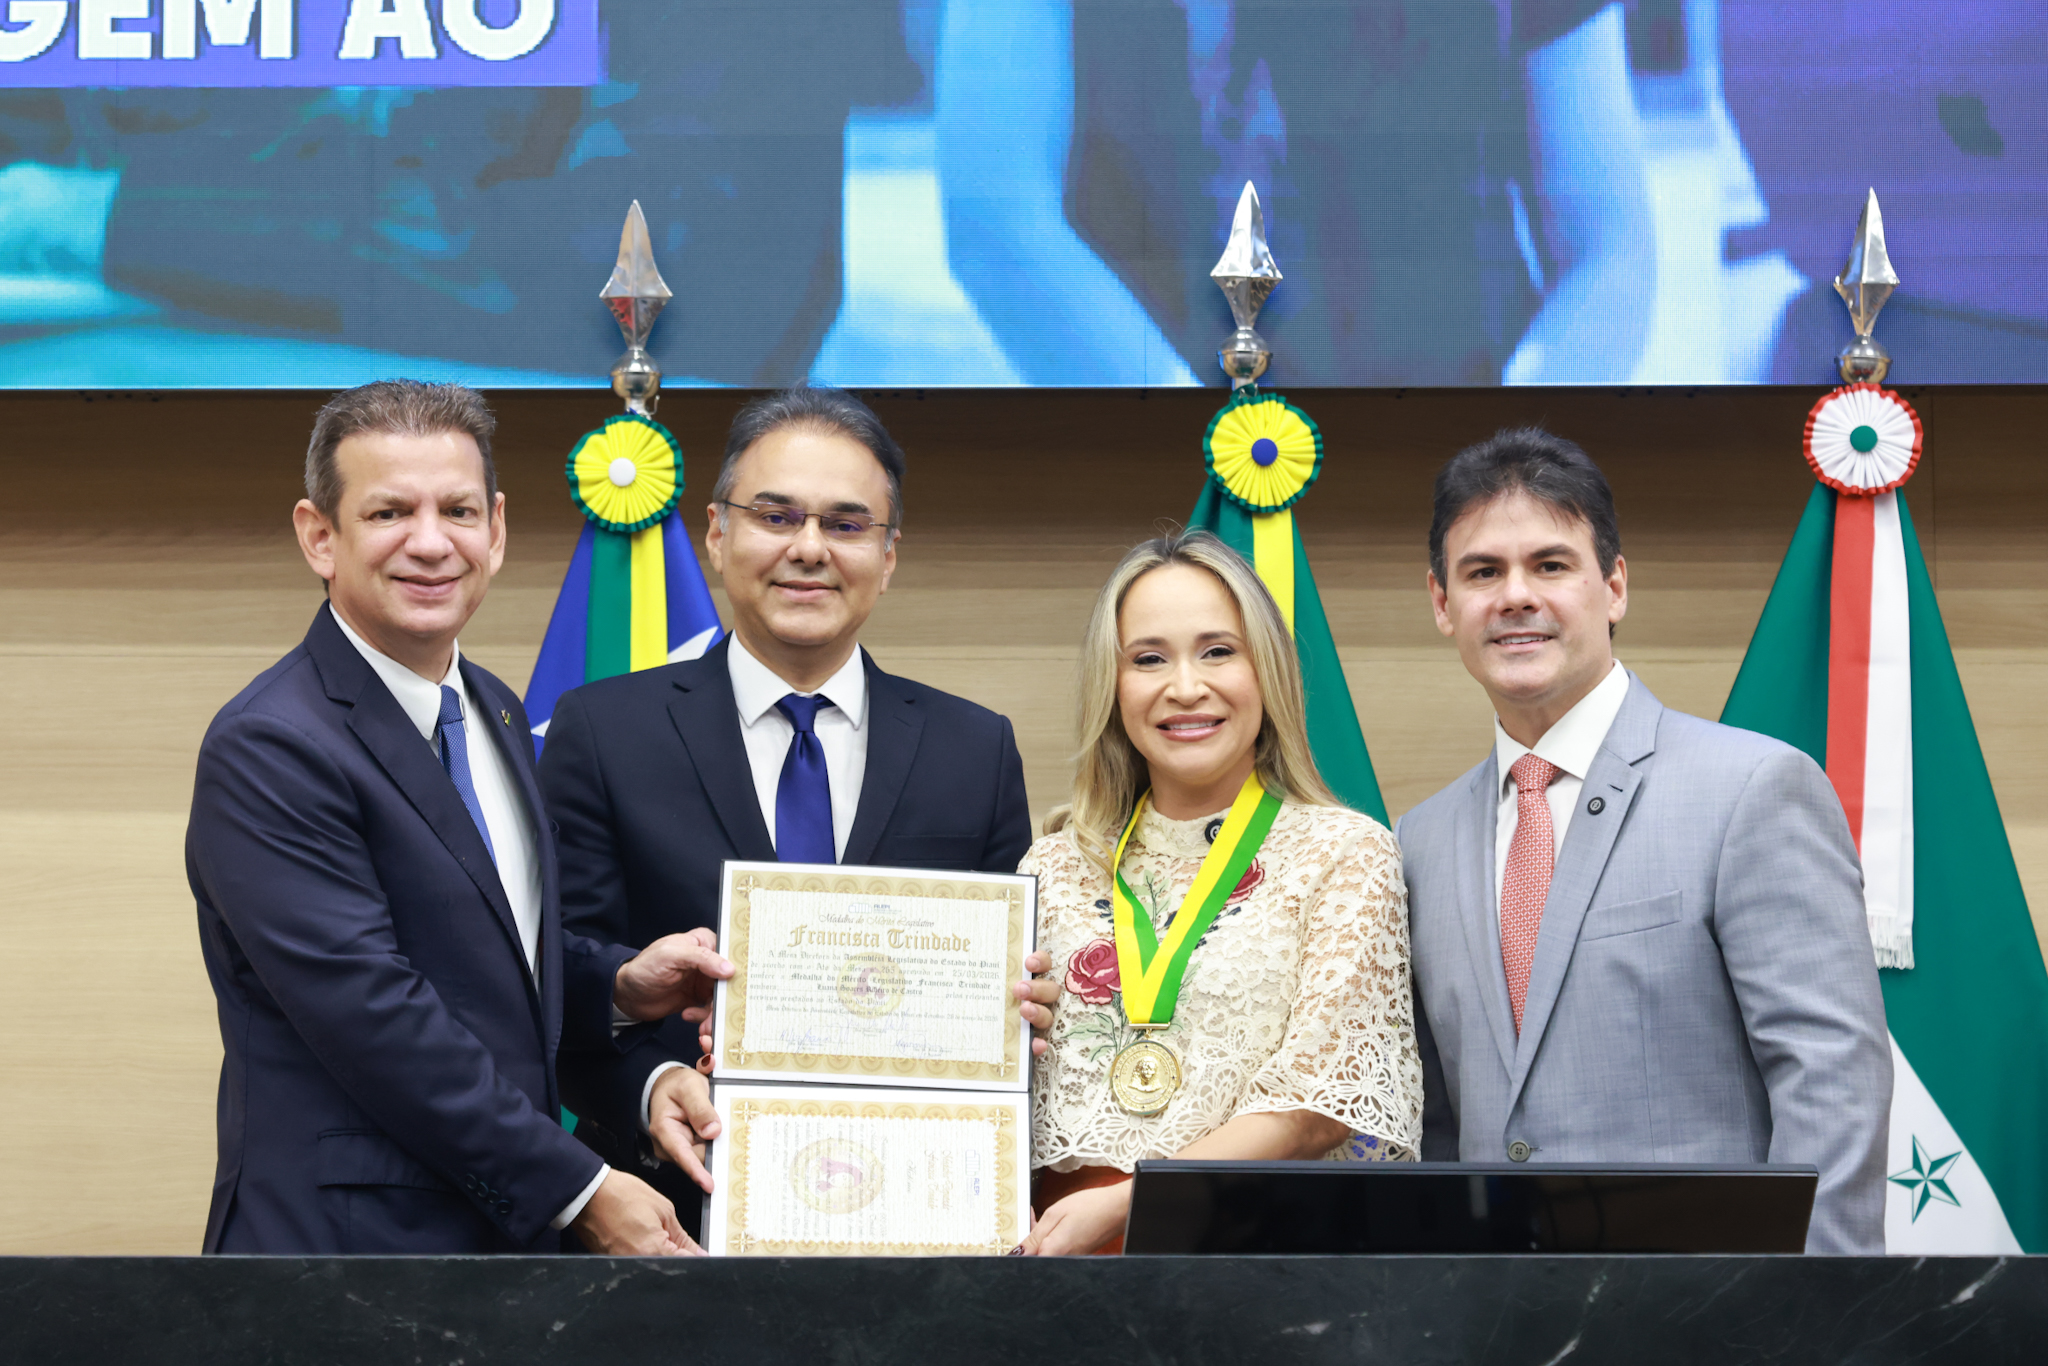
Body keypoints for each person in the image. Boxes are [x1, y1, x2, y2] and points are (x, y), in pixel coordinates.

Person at [187, 381, 727, 1255]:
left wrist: (621, 986)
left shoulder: (495, 710)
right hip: (340, 1260)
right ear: (318, 536)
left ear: (498, 530)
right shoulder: (270, 745)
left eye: (459, 510)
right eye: (390, 511)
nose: (431, 542)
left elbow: (484, 962)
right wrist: (581, 1189)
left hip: (490, 1263)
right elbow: (375, 1015)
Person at [539, 385, 1035, 1224]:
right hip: (671, 1215)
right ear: (716, 533)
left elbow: (1011, 1005)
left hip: (917, 1212)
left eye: (845, 525)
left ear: (889, 554)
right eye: (776, 517)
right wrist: (649, 1083)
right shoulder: (602, 730)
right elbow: (556, 974)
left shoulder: (975, 749)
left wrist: (1028, 1010)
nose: (809, 549)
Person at [1397, 427, 1892, 1254]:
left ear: (1615, 586)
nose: (1517, 596)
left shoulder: (1753, 791)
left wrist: (1813, 1322)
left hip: (1716, 1326)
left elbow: (1832, 1085)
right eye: (1483, 572)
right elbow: (1437, 1125)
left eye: (1551, 565)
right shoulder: (1419, 840)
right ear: (1443, 605)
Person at [1017, 530, 1422, 1256]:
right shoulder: (1051, 866)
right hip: (1057, 1264)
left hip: (1255, 1263)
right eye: (1147, 658)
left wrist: (1128, 1203)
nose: (1185, 686)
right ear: (1112, 687)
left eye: (1218, 651)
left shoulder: (1344, 852)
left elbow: (1317, 1104)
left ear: (1265, 671)